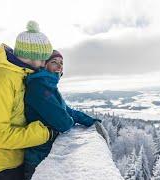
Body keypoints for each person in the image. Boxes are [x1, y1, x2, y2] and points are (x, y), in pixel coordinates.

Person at [0, 20, 59, 180]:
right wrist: (45, 133)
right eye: (42, 59)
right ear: (33, 56)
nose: (43, 64)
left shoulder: (19, 76)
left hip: (12, 164)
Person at [23, 50, 102, 180]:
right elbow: (63, 123)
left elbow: (66, 110)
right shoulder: (39, 86)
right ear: (44, 65)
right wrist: (70, 120)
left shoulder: (48, 85)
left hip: (45, 152)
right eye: (54, 62)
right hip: (38, 157)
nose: (59, 67)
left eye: (61, 63)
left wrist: (88, 120)